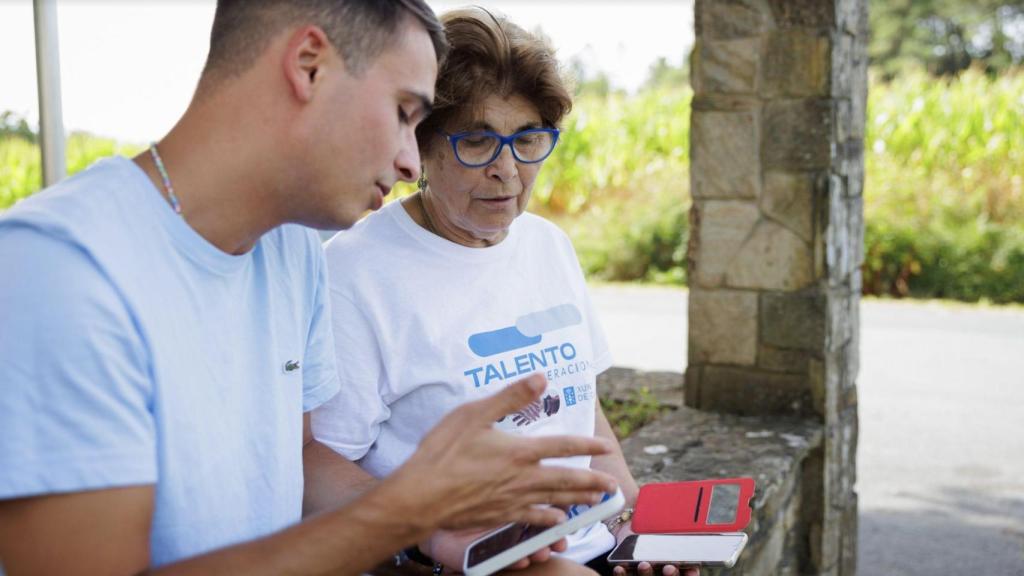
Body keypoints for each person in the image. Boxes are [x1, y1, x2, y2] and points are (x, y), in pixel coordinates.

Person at [0, 2, 620, 574]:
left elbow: (302, 454)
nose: (411, 160)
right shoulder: (60, 270)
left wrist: (438, 528)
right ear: (309, 66)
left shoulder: (290, 246)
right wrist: (402, 512)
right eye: (405, 113)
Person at [312, 8, 695, 576]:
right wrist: (436, 536)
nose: (508, 170)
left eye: (528, 140)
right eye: (478, 142)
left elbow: (582, 416)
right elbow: (319, 463)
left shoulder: (547, 245)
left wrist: (632, 523)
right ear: (422, 144)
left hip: (591, 547)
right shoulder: (356, 273)